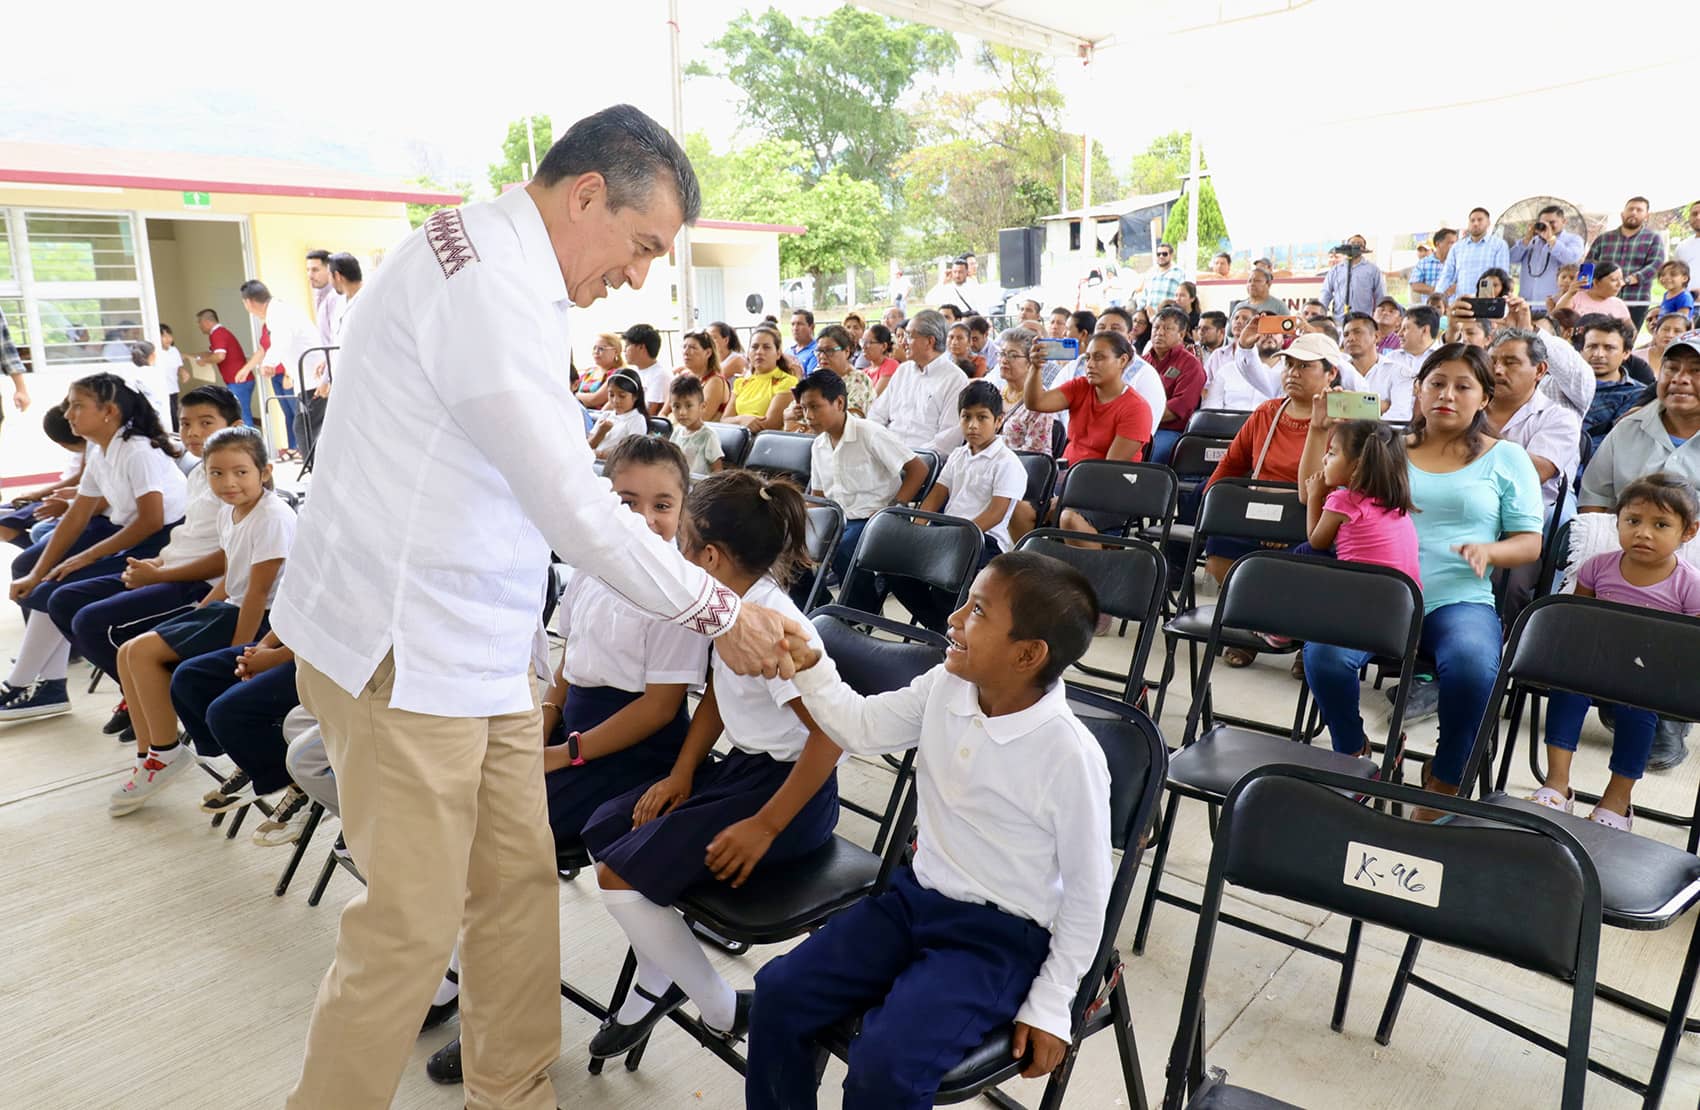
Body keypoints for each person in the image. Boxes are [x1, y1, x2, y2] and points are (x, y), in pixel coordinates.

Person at [269, 105, 800, 1110]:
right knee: (411, 930)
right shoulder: (482, 288)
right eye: (641, 246)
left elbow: (544, 482)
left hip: (479, 653)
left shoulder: (498, 266)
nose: (639, 277)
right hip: (405, 652)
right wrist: (718, 611)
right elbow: (572, 505)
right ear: (586, 194)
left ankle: (511, 1092)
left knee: (513, 891)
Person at [746, 551, 1109, 1110]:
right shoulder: (948, 685)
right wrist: (811, 664)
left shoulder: (1069, 755)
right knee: (777, 995)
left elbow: (1088, 895)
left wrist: (1052, 1001)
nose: (954, 618)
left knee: (886, 1070)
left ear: (1028, 654)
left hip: (997, 940)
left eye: (979, 612)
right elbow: (862, 728)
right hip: (913, 902)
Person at [427, 435, 715, 1080]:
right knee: (463, 814)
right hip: (576, 733)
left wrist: (563, 755)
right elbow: (569, 661)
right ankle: (456, 973)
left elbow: (659, 710)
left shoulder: (676, 591)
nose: (645, 519)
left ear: (684, 509)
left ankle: (496, 1018)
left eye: (662, 504)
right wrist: (544, 722)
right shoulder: (589, 567)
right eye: (626, 501)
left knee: (499, 844)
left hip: (632, 751)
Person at [580, 470, 839, 1062]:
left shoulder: (775, 629)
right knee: (608, 827)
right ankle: (662, 972)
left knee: (618, 876)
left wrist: (765, 826)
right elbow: (722, 694)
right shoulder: (730, 610)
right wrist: (682, 772)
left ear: (711, 558)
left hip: (791, 797)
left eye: (684, 543)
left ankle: (722, 1007)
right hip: (742, 771)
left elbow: (831, 738)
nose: (674, 554)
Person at [1302, 345, 1542, 807]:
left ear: (1485, 398)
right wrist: (1317, 433)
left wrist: (1490, 550)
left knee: (1473, 668)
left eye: (1463, 386)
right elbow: (1316, 491)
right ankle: (1356, 754)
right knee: (1325, 656)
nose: (1446, 395)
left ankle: (1447, 777)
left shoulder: (1508, 458)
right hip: (1377, 597)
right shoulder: (1387, 448)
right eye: (1436, 383)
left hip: (1457, 598)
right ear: (1417, 389)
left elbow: (1530, 543)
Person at [110, 426, 295, 815]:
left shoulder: (273, 517)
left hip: (260, 619)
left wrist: (235, 653)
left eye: (241, 472)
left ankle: (165, 753)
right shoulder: (231, 513)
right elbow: (234, 573)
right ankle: (150, 754)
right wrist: (204, 610)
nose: (228, 482)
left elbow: (259, 594)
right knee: (128, 651)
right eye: (216, 473)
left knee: (144, 654)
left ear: (265, 471)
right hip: (230, 607)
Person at [54, 386, 242, 732]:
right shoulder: (201, 471)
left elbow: (233, 563)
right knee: (65, 598)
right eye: (186, 424)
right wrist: (156, 564)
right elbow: (191, 537)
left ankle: (158, 709)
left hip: (200, 586)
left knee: (94, 623)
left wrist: (157, 575)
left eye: (206, 423)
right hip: (169, 568)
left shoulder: (235, 481)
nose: (194, 433)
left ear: (235, 425)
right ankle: (143, 697)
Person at [1, 374, 185, 722]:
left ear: (109, 412)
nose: (68, 413)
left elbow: (151, 521)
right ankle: (53, 686)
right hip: (137, 537)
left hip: (165, 545)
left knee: (61, 596)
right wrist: (40, 571)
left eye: (77, 405)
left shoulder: (136, 450)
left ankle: (138, 693)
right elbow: (76, 517)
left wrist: (85, 556)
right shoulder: (102, 451)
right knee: (46, 586)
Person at [1531, 473, 1700, 829]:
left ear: (1688, 532)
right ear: (1617, 521)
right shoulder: (1598, 567)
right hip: (1598, 663)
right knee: (1566, 688)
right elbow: (1578, 620)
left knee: (1639, 709)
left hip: (1651, 675)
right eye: (1633, 521)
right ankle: (1556, 784)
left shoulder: (1690, 585)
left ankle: (1617, 801)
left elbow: (1690, 649)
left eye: (1661, 524)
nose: (1643, 533)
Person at [900, 381, 1027, 628]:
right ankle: (941, 627)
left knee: (947, 575)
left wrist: (956, 537)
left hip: (984, 541)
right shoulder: (959, 455)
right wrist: (915, 530)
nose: (972, 425)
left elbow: (996, 513)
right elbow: (936, 496)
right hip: (947, 532)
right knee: (895, 567)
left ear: (999, 420)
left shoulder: (1007, 463)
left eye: (982, 418)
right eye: (966, 417)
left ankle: (951, 629)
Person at [798, 369, 926, 588]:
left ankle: (861, 609)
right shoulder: (819, 445)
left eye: (815, 407)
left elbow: (918, 469)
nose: (808, 416)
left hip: (873, 518)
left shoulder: (869, 433)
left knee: (842, 547)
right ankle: (817, 608)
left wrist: (896, 507)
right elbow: (818, 497)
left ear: (839, 403)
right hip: (838, 520)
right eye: (804, 408)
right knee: (786, 547)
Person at [1295, 417, 1419, 583]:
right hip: (1404, 599)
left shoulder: (1343, 501)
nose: (1324, 459)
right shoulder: (1395, 503)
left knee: (1305, 551)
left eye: (1332, 453)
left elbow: (1316, 541)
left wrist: (1314, 496)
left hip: (1360, 594)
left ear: (1357, 466)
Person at [1483, 328, 1582, 512]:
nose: (1497, 370)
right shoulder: (1469, 408)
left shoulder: (1558, 418)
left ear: (1539, 370)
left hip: (1527, 516)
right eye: (1492, 361)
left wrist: (1471, 433)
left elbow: (1534, 473)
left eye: (1510, 363)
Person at [866, 310, 968, 453]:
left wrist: (908, 458)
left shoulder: (955, 379)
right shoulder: (903, 371)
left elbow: (948, 440)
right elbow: (877, 414)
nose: (903, 342)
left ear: (929, 341)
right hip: (887, 452)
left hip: (923, 459)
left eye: (909, 336)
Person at [0, 404, 85, 547]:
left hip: (69, 501)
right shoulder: (89, 445)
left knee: (32, 532)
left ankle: (46, 562)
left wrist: (38, 494)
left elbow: (80, 478)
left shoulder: (92, 446)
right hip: (61, 497)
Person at [1586, 196, 1665, 329]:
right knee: (1598, 336)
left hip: (1635, 300)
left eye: (1639, 210)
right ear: (1623, 214)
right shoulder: (1604, 238)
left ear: (1647, 216)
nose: (1633, 212)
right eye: (1630, 209)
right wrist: (1586, 288)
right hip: (1603, 299)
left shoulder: (1653, 239)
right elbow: (1589, 264)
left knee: (1628, 341)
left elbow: (1656, 265)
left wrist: (1630, 280)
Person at [1144, 306, 1207, 463]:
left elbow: (1179, 407)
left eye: (1167, 328)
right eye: (1156, 327)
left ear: (1181, 335)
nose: (1159, 332)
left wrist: (1140, 417)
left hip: (1169, 430)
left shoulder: (1190, 364)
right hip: (1139, 424)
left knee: (1153, 456)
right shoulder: (1143, 361)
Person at [1366, 305, 1441, 422]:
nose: (1399, 334)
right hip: (1389, 425)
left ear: (1424, 330)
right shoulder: (1391, 359)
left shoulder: (1444, 360)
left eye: (1405, 328)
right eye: (1400, 329)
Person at [1581, 317, 1645, 451]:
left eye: (1609, 348)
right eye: (1592, 346)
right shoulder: (1562, 387)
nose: (1598, 354)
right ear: (1581, 351)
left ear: (1626, 353)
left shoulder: (1638, 394)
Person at [992, 328, 1055, 455]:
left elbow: (1035, 454)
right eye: (1002, 354)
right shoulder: (995, 394)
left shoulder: (1040, 402)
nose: (1004, 360)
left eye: (1013, 355)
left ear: (1030, 362)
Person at [725, 325, 799, 432]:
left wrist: (736, 422)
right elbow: (724, 420)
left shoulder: (787, 382)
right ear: (748, 353)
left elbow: (770, 424)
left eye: (766, 347)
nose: (759, 352)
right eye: (754, 347)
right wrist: (741, 419)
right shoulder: (741, 382)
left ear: (778, 354)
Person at [1509, 205, 1585, 306]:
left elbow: (1571, 259)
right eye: (1544, 223)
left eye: (1552, 222)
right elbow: (1511, 259)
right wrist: (1525, 241)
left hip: (1555, 304)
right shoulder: (1531, 241)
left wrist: (1552, 240)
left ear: (1564, 221)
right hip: (1526, 303)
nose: (1547, 226)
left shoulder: (1574, 239)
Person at [1438, 207, 1510, 303]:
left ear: (1488, 223)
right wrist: (1438, 295)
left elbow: (1502, 276)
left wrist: (1499, 301)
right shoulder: (1457, 247)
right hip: (1462, 302)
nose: (1475, 223)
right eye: (1472, 220)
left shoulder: (1499, 245)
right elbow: (1447, 274)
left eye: (1480, 220)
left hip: (1487, 303)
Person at [191, 308, 250, 420]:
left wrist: (204, 361)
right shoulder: (219, 333)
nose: (199, 326)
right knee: (240, 414)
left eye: (199, 322)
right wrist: (191, 356)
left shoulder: (218, 334)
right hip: (238, 380)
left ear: (207, 322)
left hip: (238, 380)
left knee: (242, 416)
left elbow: (219, 356)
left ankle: (248, 437)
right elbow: (212, 353)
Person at [664, 329, 729, 422]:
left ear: (708, 353)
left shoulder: (715, 381)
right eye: (684, 347)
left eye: (692, 348)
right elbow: (663, 412)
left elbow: (699, 419)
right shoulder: (683, 377)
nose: (685, 352)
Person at [1317, 235, 1386, 320]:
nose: (1355, 245)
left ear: (1363, 249)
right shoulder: (1335, 270)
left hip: (1363, 319)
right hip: (1339, 319)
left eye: (1359, 244)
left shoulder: (1373, 270)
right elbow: (1326, 293)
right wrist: (1320, 315)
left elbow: (1380, 295)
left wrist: (1378, 318)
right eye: (1352, 243)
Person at [668, 376, 724, 474]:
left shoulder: (708, 435)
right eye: (676, 406)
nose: (682, 412)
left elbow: (717, 470)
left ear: (702, 406)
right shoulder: (677, 432)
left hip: (700, 487)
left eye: (689, 406)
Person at [812, 324, 873, 414]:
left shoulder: (859, 381)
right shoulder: (817, 375)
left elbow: (850, 417)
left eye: (829, 351)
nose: (822, 356)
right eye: (819, 351)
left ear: (846, 351)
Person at [588, 370, 649, 458]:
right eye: (611, 395)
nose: (616, 401)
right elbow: (588, 446)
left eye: (622, 396)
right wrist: (600, 432)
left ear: (635, 396)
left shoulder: (637, 419)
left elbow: (631, 451)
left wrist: (600, 454)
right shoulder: (606, 416)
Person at [1556, 262, 1633, 324]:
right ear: (1596, 282)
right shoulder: (1574, 297)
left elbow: (1631, 331)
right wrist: (1570, 294)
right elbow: (1555, 319)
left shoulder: (1618, 304)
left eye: (1621, 279)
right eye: (1614, 280)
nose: (1620, 284)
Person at [622, 324, 669, 413]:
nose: (624, 350)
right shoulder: (633, 372)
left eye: (627, 345)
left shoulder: (659, 375)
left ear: (641, 347)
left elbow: (649, 413)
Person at [1408, 228, 1456, 305]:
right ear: (1438, 244)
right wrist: (1438, 291)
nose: (1454, 246)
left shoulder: (1458, 263)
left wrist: (1455, 288)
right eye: (1450, 243)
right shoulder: (1424, 263)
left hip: (1453, 309)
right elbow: (1414, 285)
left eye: (1455, 243)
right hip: (1430, 311)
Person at [1140, 241, 1185, 311]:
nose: (1161, 256)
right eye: (1158, 254)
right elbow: (1144, 296)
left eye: (1164, 254)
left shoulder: (1179, 273)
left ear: (1171, 255)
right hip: (1149, 317)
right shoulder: (1151, 273)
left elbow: (1183, 296)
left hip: (1169, 317)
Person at [156, 324, 185, 429]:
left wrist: (183, 372)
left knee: (175, 414)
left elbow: (179, 366)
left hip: (173, 388)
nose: (168, 338)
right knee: (170, 416)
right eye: (163, 336)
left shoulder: (174, 350)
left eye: (169, 335)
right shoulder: (155, 352)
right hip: (161, 390)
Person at [861, 323, 900, 396]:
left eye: (868, 342)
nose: (864, 346)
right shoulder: (864, 372)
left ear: (884, 346)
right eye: (863, 342)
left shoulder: (891, 365)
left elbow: (874, 398)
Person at [788, 308, 819, 373]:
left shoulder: (817, 351)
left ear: (812, 327)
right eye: (792, 324)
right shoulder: (788, 351)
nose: (795, 328)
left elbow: (811, 381)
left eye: (799, 324)